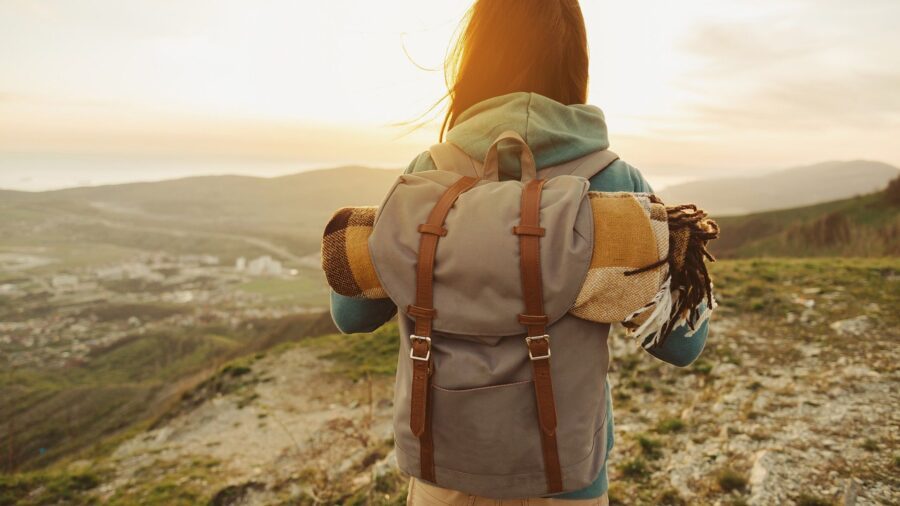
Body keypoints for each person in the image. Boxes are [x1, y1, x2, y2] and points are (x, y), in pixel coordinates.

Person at [330, 0, 710, 503]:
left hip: (444, 475)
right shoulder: (615, 182)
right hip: (568, 476)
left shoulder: (428, 174)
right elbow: (682, 344)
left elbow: (349, 312)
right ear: (576, 62)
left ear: (474, 58)